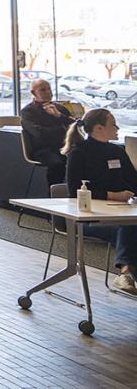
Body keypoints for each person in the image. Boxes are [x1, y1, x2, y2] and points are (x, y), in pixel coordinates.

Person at [63, 108, 137, 295]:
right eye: (113, 124)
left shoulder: (117, 151)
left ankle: (127, 275)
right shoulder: (78, 153)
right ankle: (125, 273)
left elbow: (133, 180)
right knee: (129, 227)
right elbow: (75, 192)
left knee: (130, 226)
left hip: (119, 212)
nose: (117, 127)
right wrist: (112, 195)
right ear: (99, 128)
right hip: (89, 217)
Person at [21, 78, 75, 186]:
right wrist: (61, 130)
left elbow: (74, 126)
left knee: (80, 159)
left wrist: (58, 116)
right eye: (43, 90)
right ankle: (54, 195)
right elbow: (39, 133)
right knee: (57, 164)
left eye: (49, 89)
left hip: (63, 146)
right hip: (42, 149)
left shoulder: (60, 109)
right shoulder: (28, 111)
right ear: (33, 93)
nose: (48, 93)